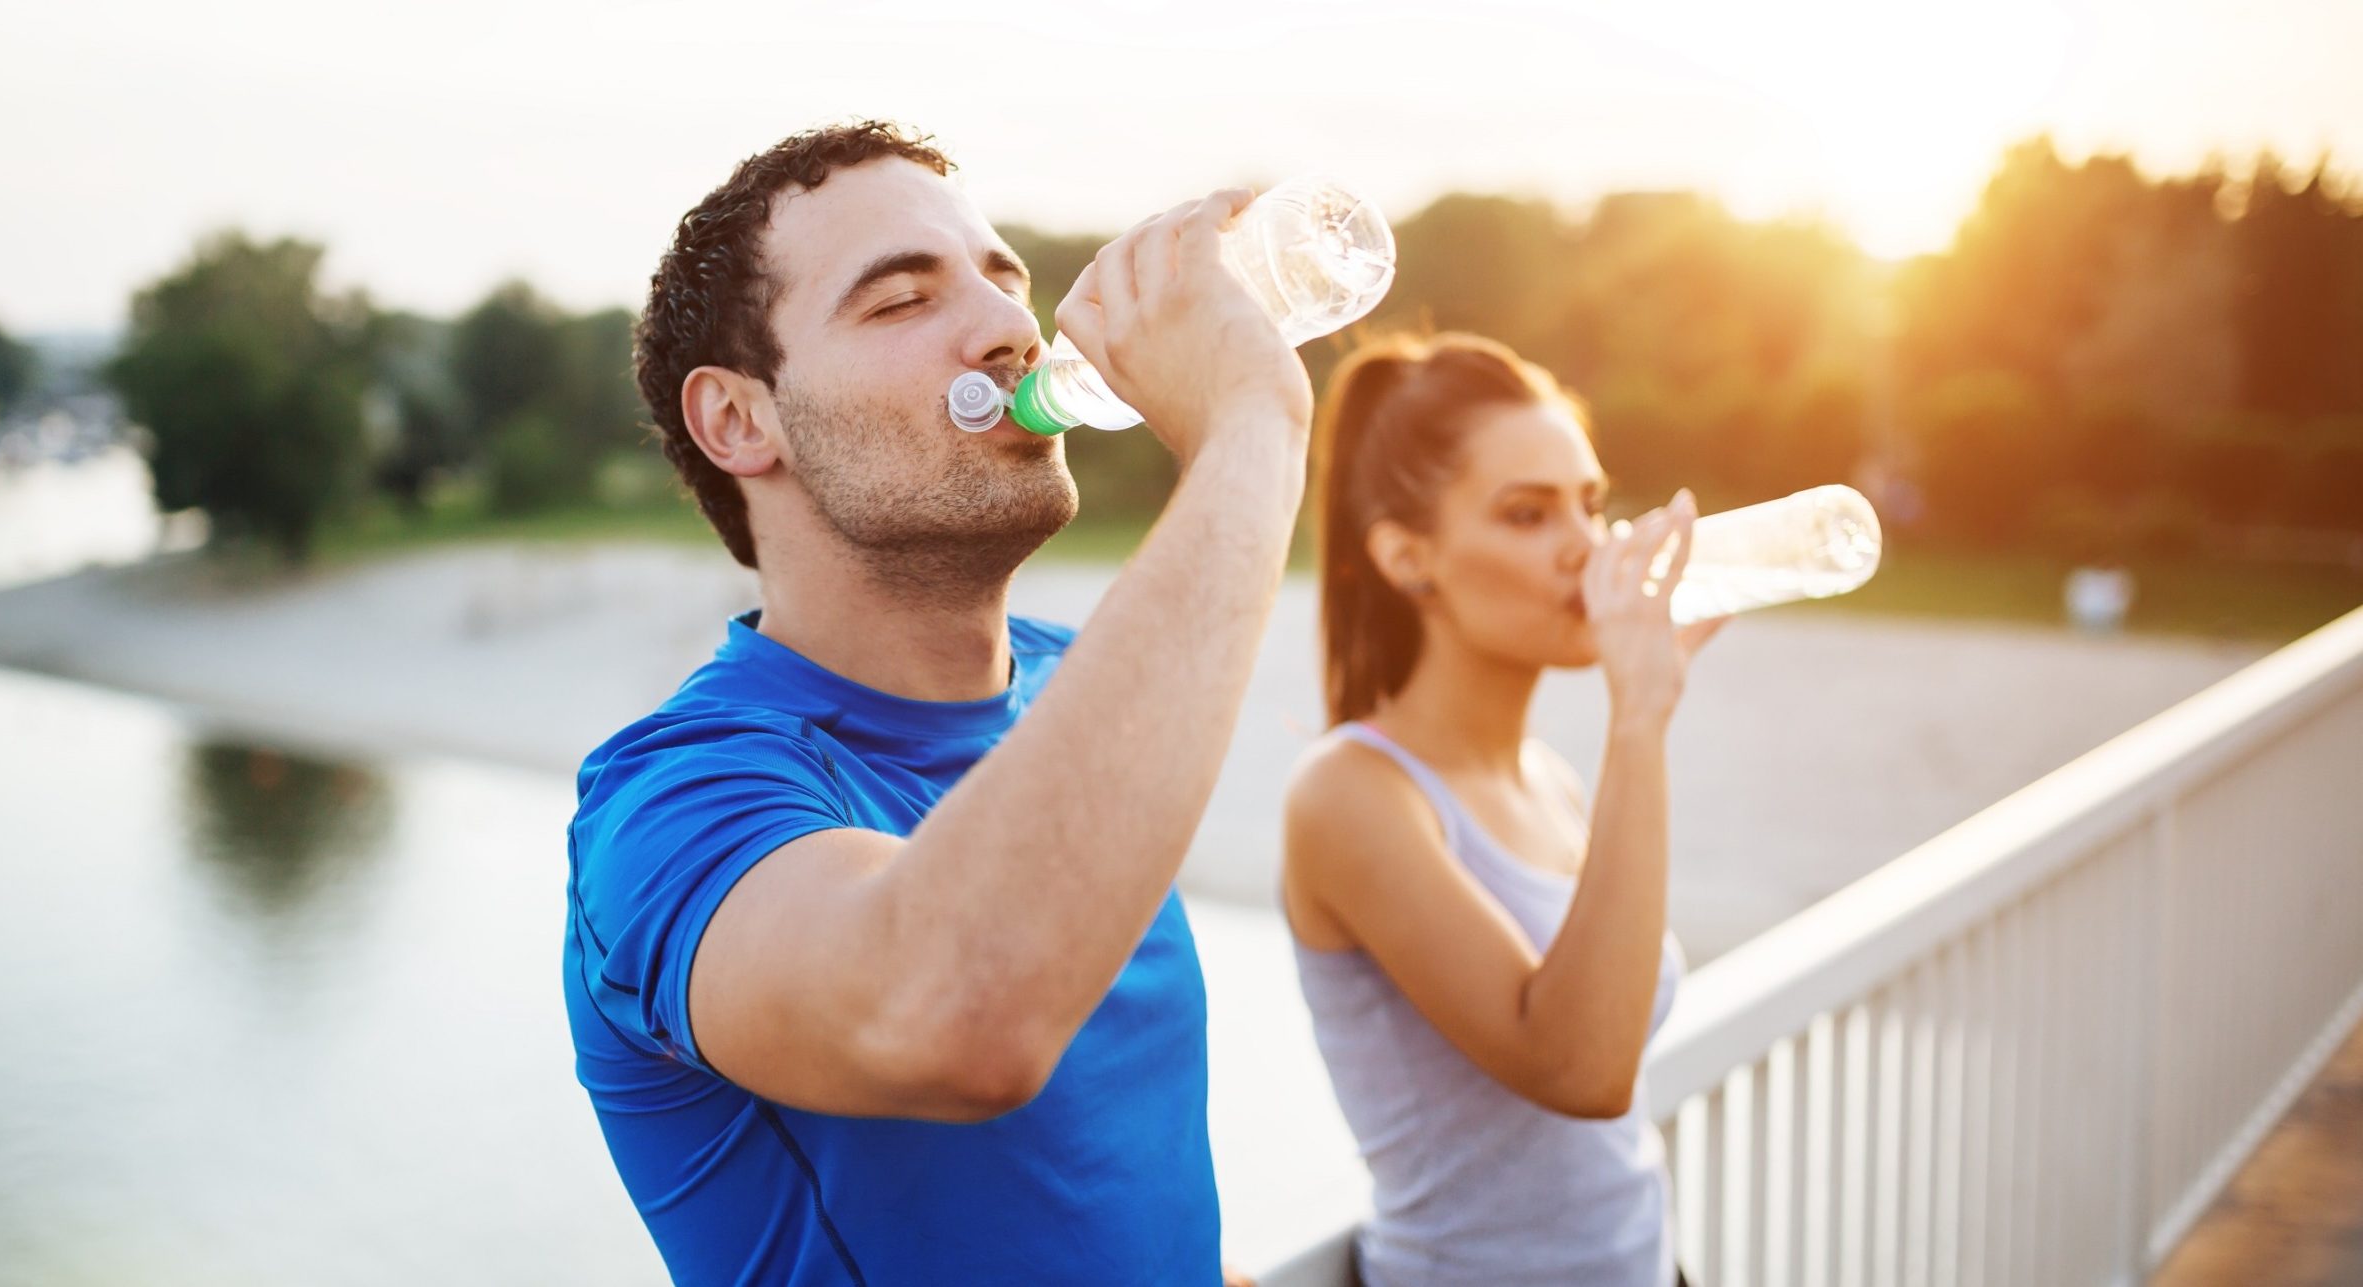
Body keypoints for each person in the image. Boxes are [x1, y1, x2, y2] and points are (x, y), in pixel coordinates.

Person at [563, 120, 1308, 1284]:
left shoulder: (1079, 686)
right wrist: (1252, 427)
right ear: (739, 420)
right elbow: (957, 1014)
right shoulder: (669, 805)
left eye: (1004, 281)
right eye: (901, 302)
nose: (1012, 328)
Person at [1280, 332, 1726, 1286]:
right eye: (1528, 514)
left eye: (1592, 504)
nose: (1588, 548)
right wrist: (1639, 719)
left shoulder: (1549, 778)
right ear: (1408, 558)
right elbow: (1581, 1069)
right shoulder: (1351, 795)